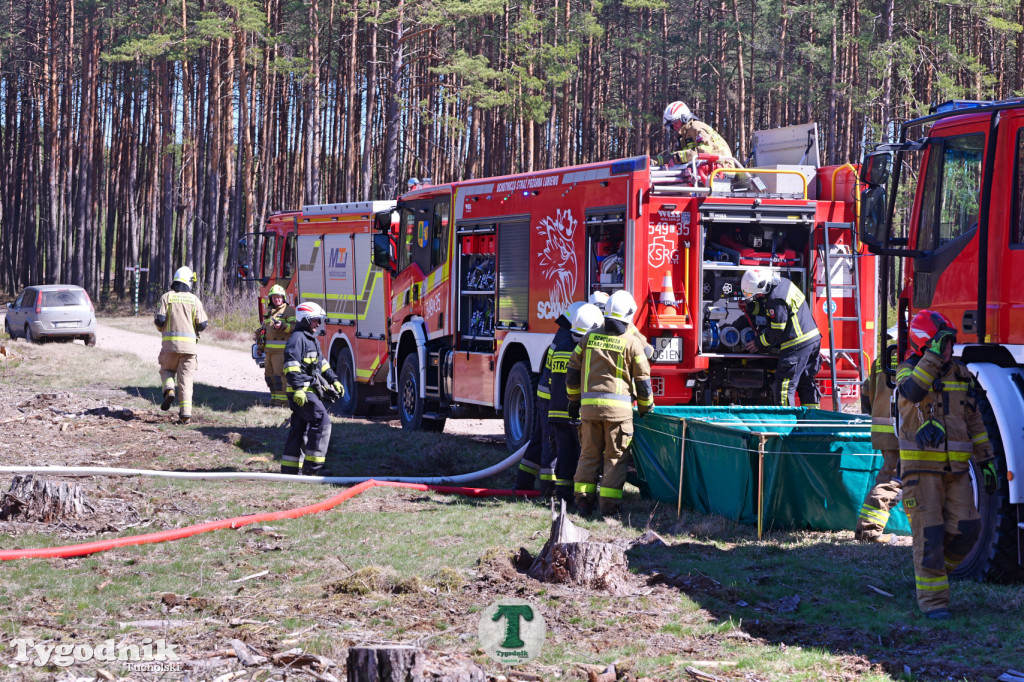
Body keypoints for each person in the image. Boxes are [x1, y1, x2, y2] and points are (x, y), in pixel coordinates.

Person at [895, 310, 995, 620]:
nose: (951, 348)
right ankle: (934, 603)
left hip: (957, 471)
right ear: (927, 344)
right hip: (921, 472)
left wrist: (987, 459)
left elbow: (974, 421)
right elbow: (913, 391)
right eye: (944, 343)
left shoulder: (961, 375)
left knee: (968, 529)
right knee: (931, 535)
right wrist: (934, 358)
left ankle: (933, 576)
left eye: (950, 343)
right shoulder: (908, 370)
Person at [567, 290, 654, 517]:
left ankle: (583, 504)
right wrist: (646, 409)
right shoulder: (632, 343)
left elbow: (572, 371)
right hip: (618, 414)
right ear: (628, 316)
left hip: (589, 410)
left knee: (588, 454)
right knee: (614, 459)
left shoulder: (588, 338)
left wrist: (573, 402)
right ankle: (608, 509)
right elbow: (643, 382)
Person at [515, 302, 584, 494]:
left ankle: (523, 482)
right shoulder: (574, 342)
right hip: (556, 397)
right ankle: (548, 488)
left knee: (539, 438)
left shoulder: (563, 335)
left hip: (547, 395)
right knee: (552, 444)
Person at [740, 267, 821, 408]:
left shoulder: (775, 298)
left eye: (757, 294)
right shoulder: (783, 284)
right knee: (806, 381)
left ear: (763, 286)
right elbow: (770, 311)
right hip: (812, 339)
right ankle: (810, 422)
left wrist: (758, 342)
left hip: (797, 343)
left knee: (784, 387)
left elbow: (775, 332)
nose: (757, 297)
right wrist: (750, 308)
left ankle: (786, 424)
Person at [282, 301, 345, 476]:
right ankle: (313, 469)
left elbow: (321, 364)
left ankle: (289, 469)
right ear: (305, 319)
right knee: (322, 422)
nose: (318, 324)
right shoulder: (297, 339)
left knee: (299, 427)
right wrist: (298, 389)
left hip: (306, 391)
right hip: (302, 392)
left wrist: (334, 380)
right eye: (315, 320)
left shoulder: (311, 340)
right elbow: (291, 366)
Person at [549, 303, 600, 507]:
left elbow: (552, 380)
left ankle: (562, 496)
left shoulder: (560, 346)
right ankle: (583, 499)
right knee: (582, 457)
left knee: (564, 455)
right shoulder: (585, 352)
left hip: (556, 410)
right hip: (576, 413)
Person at [855, 331, 901, 543]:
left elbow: (866, 390)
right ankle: (868, 530)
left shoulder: (882, 358)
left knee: (898, 477)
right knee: (892, 480)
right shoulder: (914, 360)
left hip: (884, 427)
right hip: (899, 429)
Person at [154, 266, 208, 425]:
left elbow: (160, 320)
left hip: (170, 347)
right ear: (188, 282)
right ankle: (185, 414)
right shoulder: (194, 300)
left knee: (166, 370)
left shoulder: (166, 297)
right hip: (189, 349)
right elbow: (203, 324)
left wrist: (160, 328)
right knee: (186, 381)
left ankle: (169, 389)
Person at [656, 101, 742, 170]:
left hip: (722, 166)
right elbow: (676, 156)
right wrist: (657, 161)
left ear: (684, 118)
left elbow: (705, 151)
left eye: (676, 123)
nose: (674, 127)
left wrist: (678, 157)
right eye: (671, 125)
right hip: (708, 167)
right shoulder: (683, 137)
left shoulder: (696, 127)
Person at [262, 285, 295, 407]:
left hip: (280, 352)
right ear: (271, 299)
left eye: (279, 297)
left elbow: (294, 327)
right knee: (269, 377)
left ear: (284, 298)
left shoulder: (289, 311)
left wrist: (282, 326)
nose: (277, 300)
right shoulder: (269, 312)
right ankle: (274, 399)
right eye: (274, 297)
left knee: (279, 377)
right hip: (269, 351)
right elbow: (266, 330)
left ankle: (282, 403)